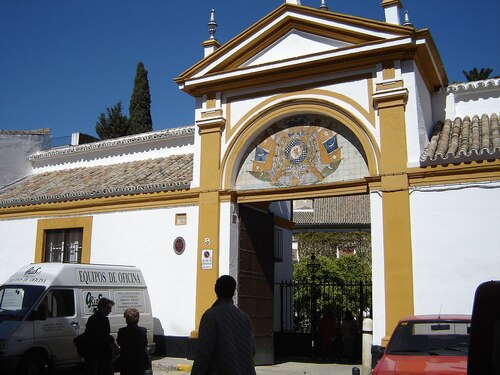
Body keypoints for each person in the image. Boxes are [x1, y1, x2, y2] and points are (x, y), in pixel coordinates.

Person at [191, 275, 256, 375]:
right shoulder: (244, 317)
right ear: (234, 292)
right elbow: (252, 350)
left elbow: (203, 354)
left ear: (216, 289)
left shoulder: (211, 316)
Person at [84, 297, 115, 375]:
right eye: (108, 308)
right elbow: (104, 336)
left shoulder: (91, 318)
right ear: (102, 307)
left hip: (92, 353)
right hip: (102, 354)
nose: (110, 311)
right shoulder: (104, 320)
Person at [117, 308, 149, 375]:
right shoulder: (143, 331)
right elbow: (145, 344)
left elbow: (119, 343)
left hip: (126, 362)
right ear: (138, 319)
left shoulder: (122, 331)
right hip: (139, 361)